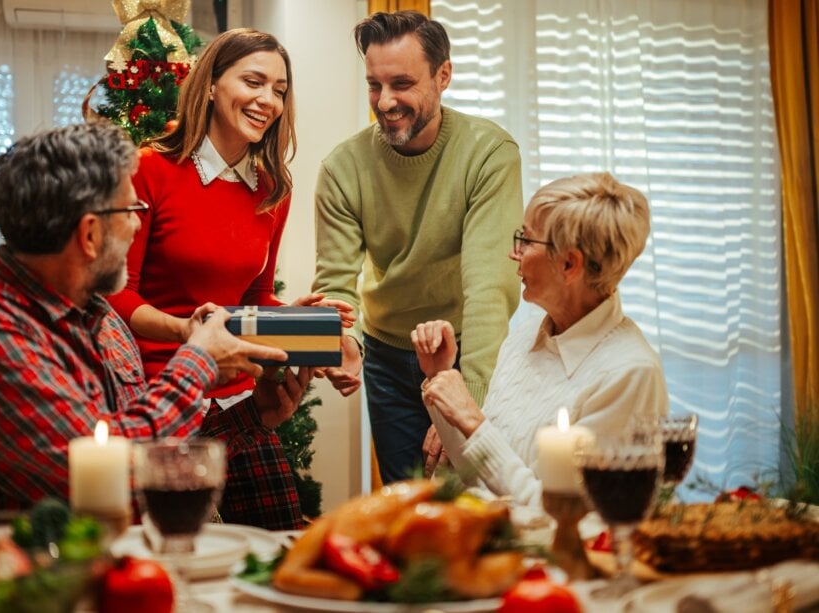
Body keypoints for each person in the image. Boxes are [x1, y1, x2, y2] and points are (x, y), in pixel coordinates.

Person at [0, 122, 314, 512]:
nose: (138, 223)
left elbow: (140, 445)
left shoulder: (104, 320)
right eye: (131, 209)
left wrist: (252, 417)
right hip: (34, 571)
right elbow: (103, 473)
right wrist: (200, 362)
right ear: (90, 235)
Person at [107, 28, 352, 529]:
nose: (268, 100)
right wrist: (188, 334)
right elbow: (119, 297)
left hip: (241, 400)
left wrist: (314, 331)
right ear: (212, 84)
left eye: (279, 90)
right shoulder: (149, 169)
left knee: (277, 539)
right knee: (176, 554)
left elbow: (255, 299)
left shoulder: (271, 192)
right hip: (162, 396)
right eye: (254, 82)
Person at [311, 10, 523, 483]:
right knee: (408, 502)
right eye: (373, 85)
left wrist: (464, 397)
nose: (384, 102)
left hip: (469, 349)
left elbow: (491, 287)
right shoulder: (343, 168)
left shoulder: (489, 154)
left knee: (474, 497)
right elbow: (336, 285)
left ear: (443, 75)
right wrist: (342, 342)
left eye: (402, 83)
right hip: (386, 358)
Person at [411, 172, 670, 506]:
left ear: (569, 264)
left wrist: (473, 420)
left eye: (527, 240)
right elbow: (476, 470)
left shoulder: (630, 374)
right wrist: (440, 376)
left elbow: (566, 518)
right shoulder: (525, 336)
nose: (514, 252)